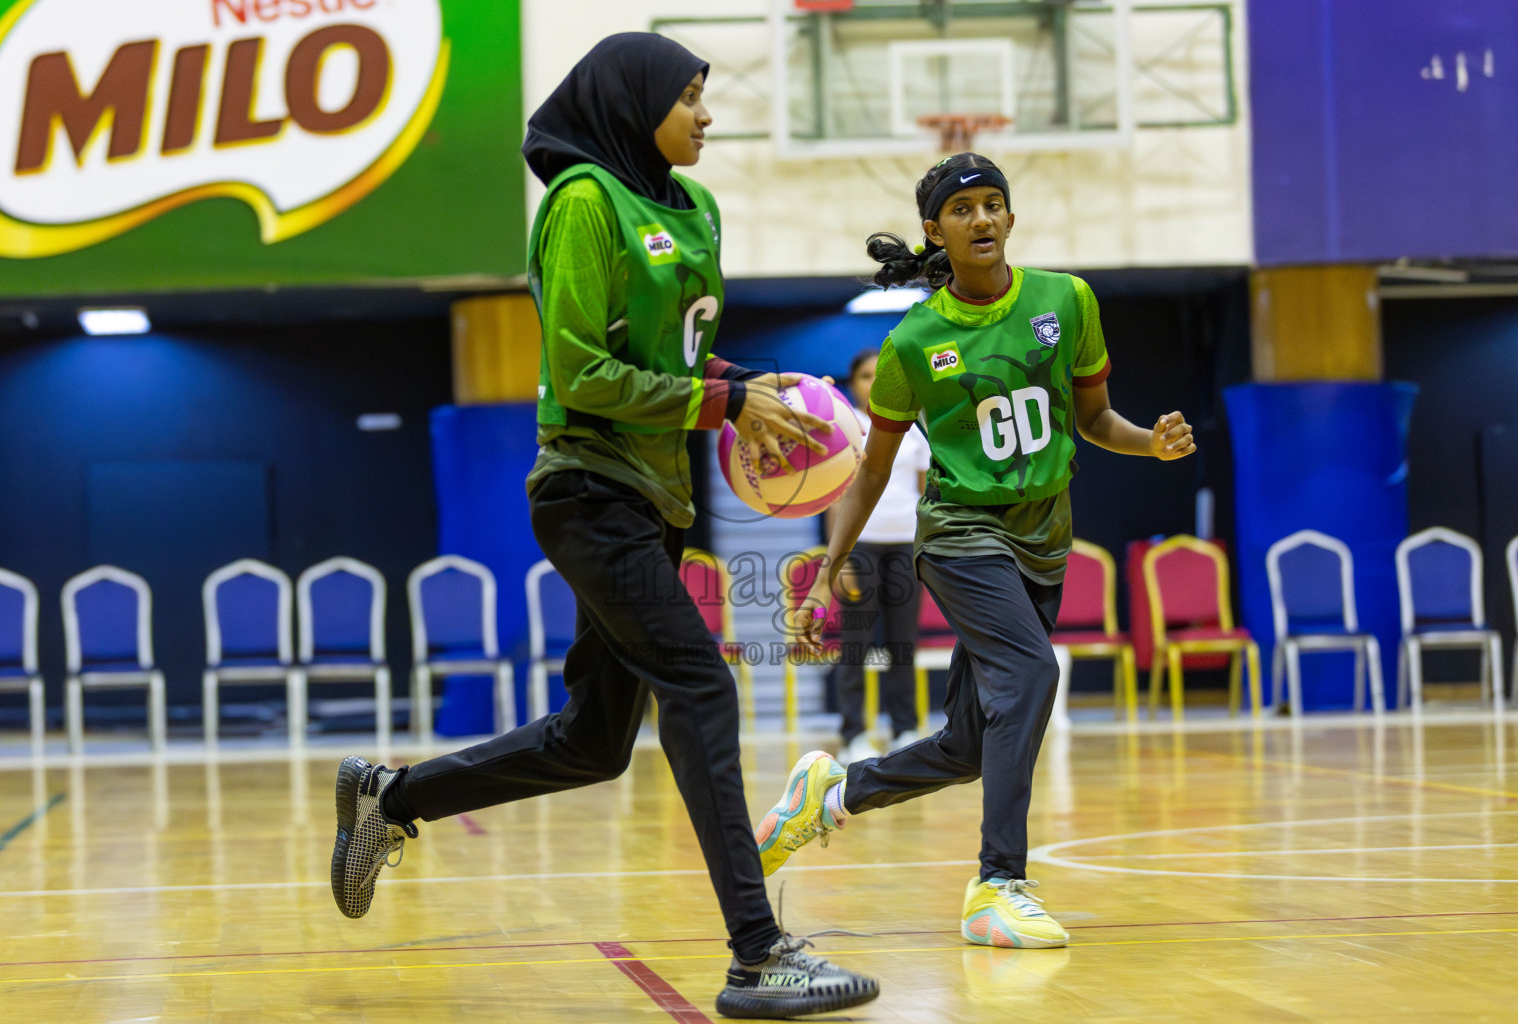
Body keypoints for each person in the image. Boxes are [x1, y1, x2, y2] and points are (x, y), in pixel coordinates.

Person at [328, 33, 878, 1018]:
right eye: (691, 98)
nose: (707, 115)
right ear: (634, 103)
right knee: (704, 688)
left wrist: (752, 388)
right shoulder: (582, 203)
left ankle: (389, 795)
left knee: (592, 742)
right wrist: (725, 403)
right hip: (587, 491)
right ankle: (759, 953)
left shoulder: (697, 208)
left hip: (657, 500)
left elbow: (677, 357)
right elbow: (581, 370)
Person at [754, 152, 1195, 949]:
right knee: (1030, 674)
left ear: (1011, 218)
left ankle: (829, 797)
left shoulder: (1067, 299)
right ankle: (999, 884)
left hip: (1043, 541)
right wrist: (825, 568)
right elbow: (873, 468)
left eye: (995, 204)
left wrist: (1151, 446)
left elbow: (1095, 421)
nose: (983, 219)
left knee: (967, 745)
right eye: (964, 210)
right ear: (936, 230)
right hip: (960, 537)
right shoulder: (914, 342)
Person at [826, 348, 931, 765]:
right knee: (856, 642)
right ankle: (854, 732)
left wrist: (927, 549)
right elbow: (834, 496)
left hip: (906, 545)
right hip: (860, 548)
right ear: (853, 382)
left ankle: (905, 728)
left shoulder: (913, 429)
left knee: (903, 644)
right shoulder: (843, 429)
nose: (872, 382)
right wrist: (838, 557)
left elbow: (923, 493)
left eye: (879, 375)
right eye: (865, 375)